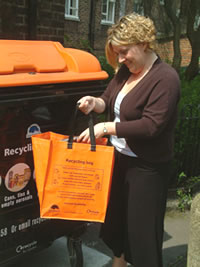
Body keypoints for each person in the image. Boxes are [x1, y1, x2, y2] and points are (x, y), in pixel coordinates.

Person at [77, 12, 180, 267]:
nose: (121, 59)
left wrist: (107, 128)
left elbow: (151, 126)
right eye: (118, 53)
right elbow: (108, 100)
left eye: (124, 52)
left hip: (147, 169)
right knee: (119, 227)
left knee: (142, 236)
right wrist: (94, 102)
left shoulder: (166, 79)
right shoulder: (125, 72)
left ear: (143, 43)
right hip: (120, 162)